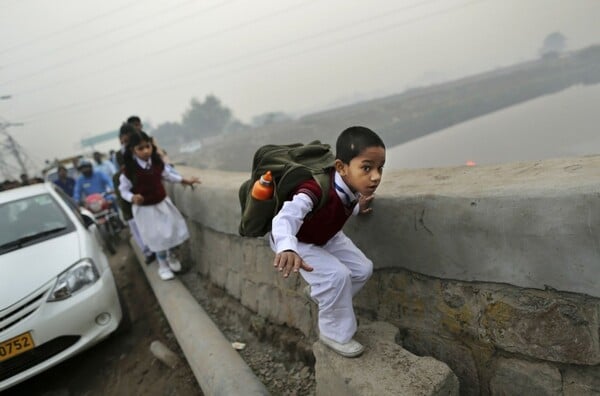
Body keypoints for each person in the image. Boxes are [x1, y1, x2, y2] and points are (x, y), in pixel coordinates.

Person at [270, 126, 385, 358]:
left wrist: (357, 207)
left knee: (362, 269)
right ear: (341, 167)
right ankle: (334, 333)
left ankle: (321, 295)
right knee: (337, 276)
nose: (376, 176)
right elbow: (286, 216)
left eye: (380, 168)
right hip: (299, 240)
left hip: (326, 235)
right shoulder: (314, 189)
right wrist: (287, 246)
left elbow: (340, 205)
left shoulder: (351, 187)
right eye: (367, 168)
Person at [119, 130, 200, 280]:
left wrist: (185, 180)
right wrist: (132, 197)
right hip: (145, 210)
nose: (145, 151)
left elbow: (168, 176)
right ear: (133, 150)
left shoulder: (156, 163)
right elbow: (123, 190)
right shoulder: (129, 171)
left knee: (169, 232)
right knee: (156, 237)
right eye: (140, 148)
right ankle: (162, 266)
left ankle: (171, 256)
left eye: (147, 147)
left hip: (161, 204)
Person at [114, 123, 155, 263]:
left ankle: (154, 248)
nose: (125, 143)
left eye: (128, 140)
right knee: (132, 221)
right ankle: (147, 251)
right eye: (123, 141)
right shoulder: (119, 155)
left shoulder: (141, 149)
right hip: (128, 189)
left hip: (142, 189)